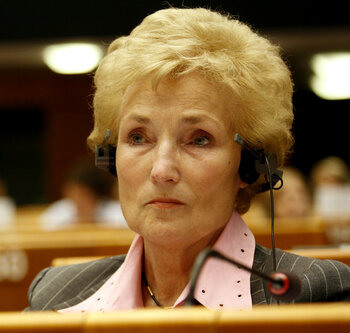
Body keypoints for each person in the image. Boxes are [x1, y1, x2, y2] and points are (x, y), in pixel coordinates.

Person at [26, 7, 350, 311]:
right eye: (138, 137)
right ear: (110, 158)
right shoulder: (54, 297)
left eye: (199, 140)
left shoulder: (315, 297)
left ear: (250, 163)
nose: (162, 170)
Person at [39, 160, 128, 229]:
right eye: (72, 195)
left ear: (97, 196)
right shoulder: (60, 211)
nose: (77, 200)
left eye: (83, 195)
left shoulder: (116, 213)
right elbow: (45, 227)